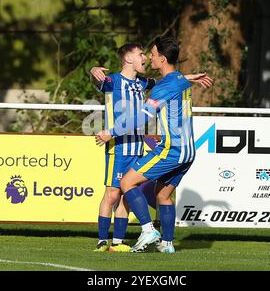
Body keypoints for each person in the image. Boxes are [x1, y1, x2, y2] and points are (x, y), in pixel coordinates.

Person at [91, 41, 212, 253]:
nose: (149, 57)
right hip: (189, 151)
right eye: (144, 54)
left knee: (128, 183)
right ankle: (167, 244)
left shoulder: (164, 85)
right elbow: (103, 82)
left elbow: (140, 119)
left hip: (171, 149)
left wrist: (110, 132)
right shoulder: (178, 80)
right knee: (162, 195)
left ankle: (148, 230)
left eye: (153, 54)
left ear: (162, 60)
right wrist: (93, 71)